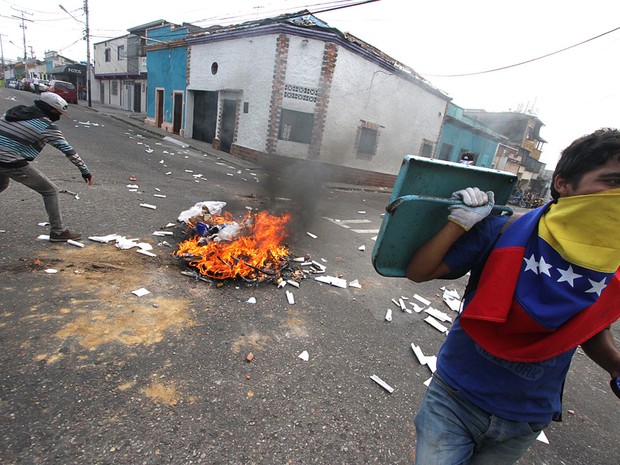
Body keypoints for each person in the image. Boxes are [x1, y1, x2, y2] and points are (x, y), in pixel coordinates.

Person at [406, 128, 620, 464]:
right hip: (456, 397)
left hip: (526, 416)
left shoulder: (613, 264)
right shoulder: (505, 231)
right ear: (563, 184)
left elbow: (588, 327)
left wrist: (615, 365)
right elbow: (419, 271)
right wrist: (458, 223)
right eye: (612, 182)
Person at [0, 92, 93, 242]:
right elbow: (68, 150)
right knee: (50, 190)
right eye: (58, 113)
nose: (59, 116)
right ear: (51, 110)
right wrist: (85, 171)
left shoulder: (15, 112)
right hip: (10, 161)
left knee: (2, 184)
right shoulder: (46, 126)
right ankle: (58, 231)